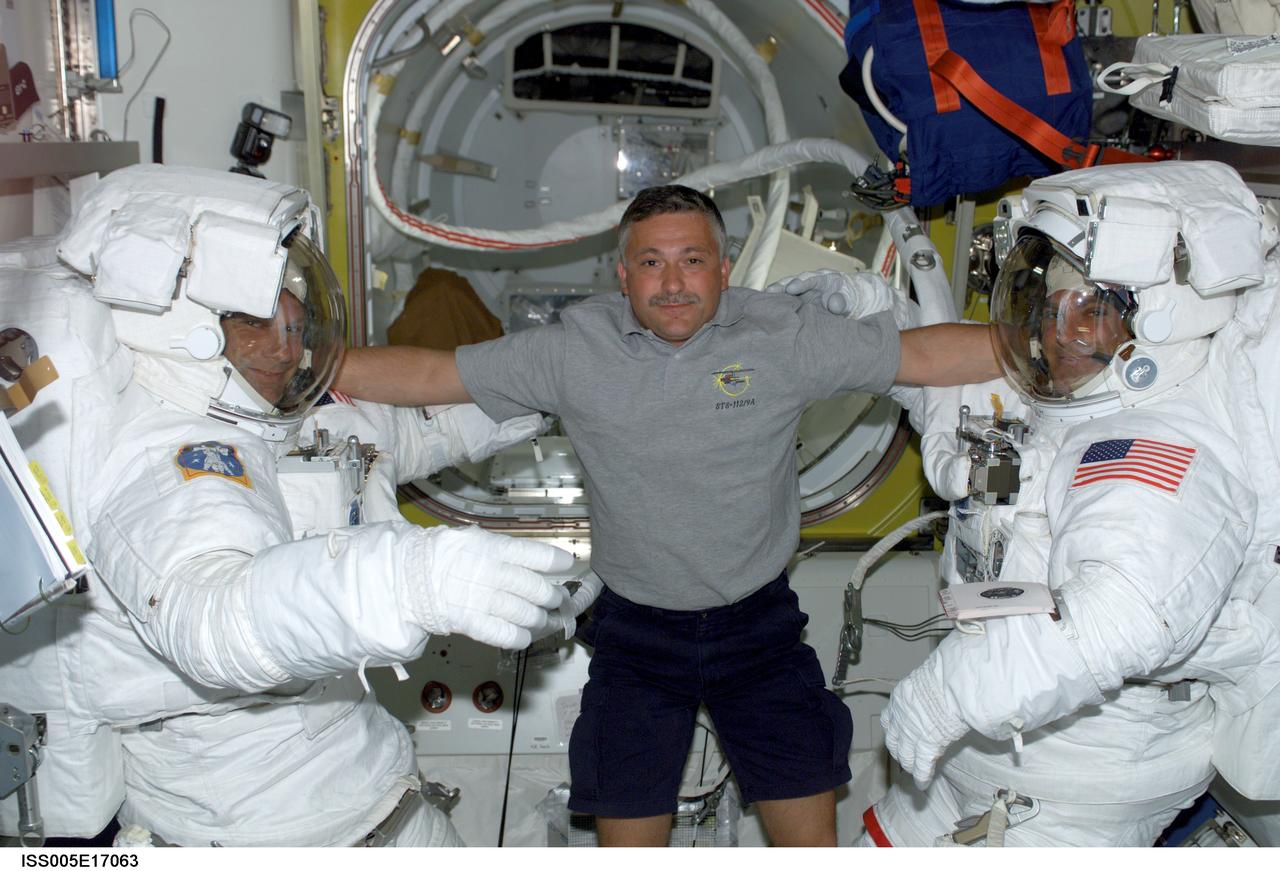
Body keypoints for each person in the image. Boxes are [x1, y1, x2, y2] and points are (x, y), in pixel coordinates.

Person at [334, 184, 1002, 846]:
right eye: (652, 262)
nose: (673, 282)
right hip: (637, 636)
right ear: (622, 275)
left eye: (692, 259)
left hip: (758, 627)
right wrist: (312, 365)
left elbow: (919, 356)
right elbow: (433, 376)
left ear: (724, 268)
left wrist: (1040, 351)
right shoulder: (574, 351)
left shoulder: (782, 337)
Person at [0, 164, 581, 846]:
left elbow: (411, 430)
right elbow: (213, 615)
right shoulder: (172, 464)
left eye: (289, 308)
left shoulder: (269, 413)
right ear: (185, 329)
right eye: (253, 319)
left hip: (379, 799)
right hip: (278, 834)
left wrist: (548, 395)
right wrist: (407, 579)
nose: (288, 338)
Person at [861, 160, 1279, 846]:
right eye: (1048, 302)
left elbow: (1118, 617)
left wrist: (945, 696)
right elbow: (951, 406)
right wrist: (858, 312)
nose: (1059, 331)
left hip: (1062, 796)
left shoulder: (1161, 452)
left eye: (1089, 309)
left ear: (1161, 322)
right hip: (981, 764)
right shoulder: (1072, 403)